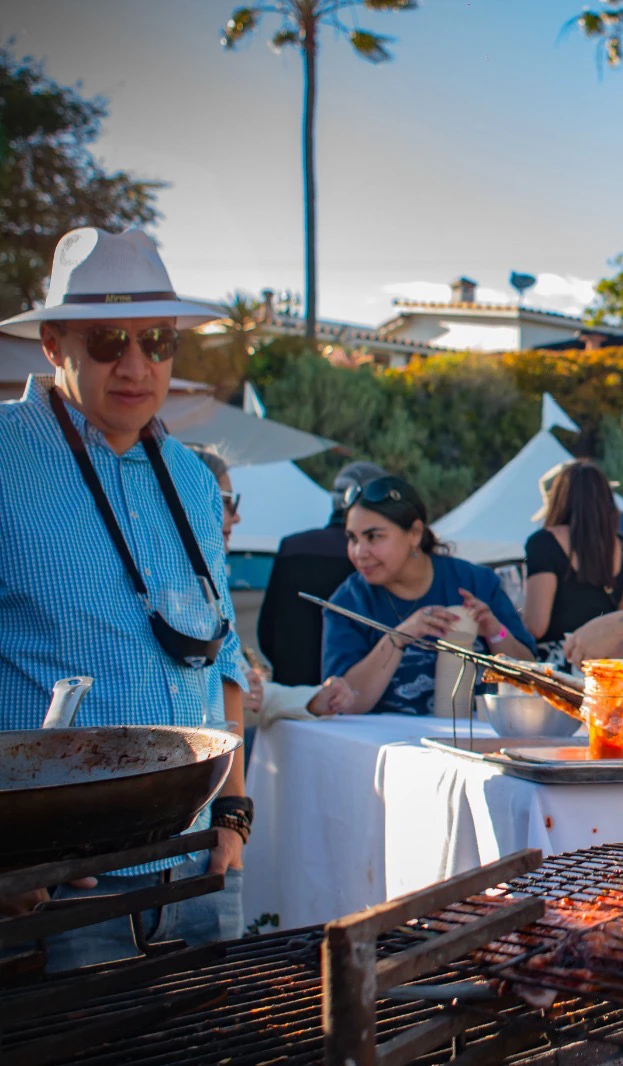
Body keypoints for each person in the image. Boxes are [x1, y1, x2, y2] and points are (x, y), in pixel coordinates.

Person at [0, 227, 249, 968]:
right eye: (108, 340)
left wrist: (232, 816)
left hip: (199, 867)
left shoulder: (194, 479)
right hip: (56, 884)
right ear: (53, 343)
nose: (136, 365)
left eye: (157, 340)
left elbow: (222, 656)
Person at [323, 475, 538, 715]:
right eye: (352, 538)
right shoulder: (348, 603)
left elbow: (534, 679)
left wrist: (495, 633)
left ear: (414, 533)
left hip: (477, 740)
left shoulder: (476, 582)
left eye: (374, 537)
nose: (359, 552)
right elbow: (343, 702)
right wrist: (400, 636)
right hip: (384, 747)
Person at [187, 445, 356, 725]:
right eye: (227, 502)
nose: (237, 516)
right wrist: (222, 698)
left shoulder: (207, 588)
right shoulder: (161, 590)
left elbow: (249, 690)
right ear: (189, 501)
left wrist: (314, 699)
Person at [257, 460, 387, 686]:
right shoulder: (374, 557)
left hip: (291, 692)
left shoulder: (292, 546)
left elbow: (267, 630)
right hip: (350, 694)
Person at [522, 459, 623, 665]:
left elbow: (536, 626)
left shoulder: (543, 542)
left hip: (560, 664)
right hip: (606, 666)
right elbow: (622, 620)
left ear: (559, 498)